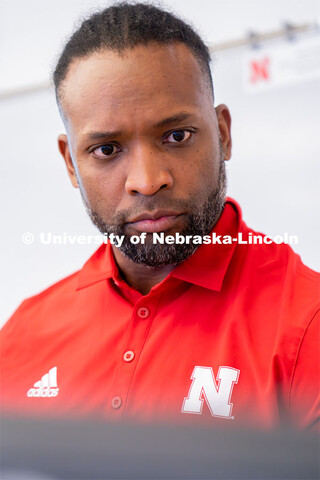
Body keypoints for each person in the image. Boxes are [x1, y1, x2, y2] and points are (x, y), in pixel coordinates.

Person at [1, 2, 319, 431]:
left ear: (222, 133)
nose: (147, 181)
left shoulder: (307, 323)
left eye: (176, 136)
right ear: (71, 164)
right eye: (107, 150)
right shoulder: (22, 336)